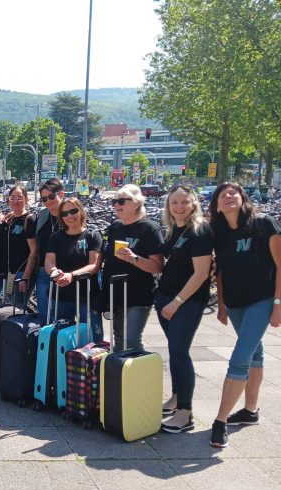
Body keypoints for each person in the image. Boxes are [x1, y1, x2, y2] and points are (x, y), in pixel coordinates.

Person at [208, 182, 281, 448]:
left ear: (242, 198)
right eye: (222, 195)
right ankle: (250, 411)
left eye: (233, 193)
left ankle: (220, 421)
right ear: (217, 206)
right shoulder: (219, 232)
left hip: (262, 301)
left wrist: (278, 304)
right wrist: (222, 304)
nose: (228, 196)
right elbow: (220, 271)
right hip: (236, 303)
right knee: (255, 353)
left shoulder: (263, 223)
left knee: (240, 358)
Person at [156, 184, 213, 434]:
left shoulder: (200, 231)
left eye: (184, 202)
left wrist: (177, 302)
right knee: (174, 350)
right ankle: (177, 397)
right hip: (166, 297)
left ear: (193, 204)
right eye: (174, 202)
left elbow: (201, 274)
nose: (179, 207)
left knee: (180, 352)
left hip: (187, 301)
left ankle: (185, 413)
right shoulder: (174, 229)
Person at [100, 184, 164, 351]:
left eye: (121, 201)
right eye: (114, 201)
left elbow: (157, 266)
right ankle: (123, 368)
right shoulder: (115, 227)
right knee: (119, 341)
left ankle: (142, 367)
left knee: (131, 340)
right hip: (116, 294)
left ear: (136, 203)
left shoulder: (149, 228)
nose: (116, 205)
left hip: (138, 295)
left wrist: (133, 258)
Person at [44, 197, 104, 342]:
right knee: (61, 339)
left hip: (87, 297)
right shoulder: (56, 237)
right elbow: (49, 261)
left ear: (80, 211)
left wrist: (72, 276)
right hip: (62, 296)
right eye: (65, 213)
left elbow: (94, 265)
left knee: (92, 339)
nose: (70, 216)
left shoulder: (92, 236)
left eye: (73, 211)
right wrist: (54, 271)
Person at [33, 178, 66, 325]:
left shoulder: (71, 214)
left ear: (61, 194)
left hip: (64, 272)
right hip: (43, 271)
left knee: (62, 318)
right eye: (44, 199)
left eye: (51, 197)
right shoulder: (42, 214)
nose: (48, 201)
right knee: (44, 316)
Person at [3, 184, 37, 309]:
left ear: (26, 199)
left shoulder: (30, 220)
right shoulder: (10, 219)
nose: (16, 201)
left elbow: (34, 250)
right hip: (10, 272)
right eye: (12, 198)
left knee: (18, 309)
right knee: (11, 308)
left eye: (19, 197)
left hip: (22, 272)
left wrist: (25, 277)